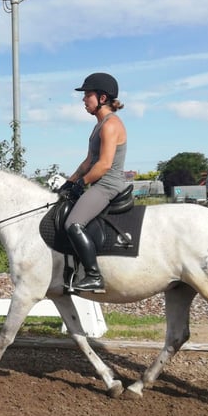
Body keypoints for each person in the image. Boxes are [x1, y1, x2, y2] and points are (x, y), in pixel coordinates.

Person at [58, 72, 127, 293]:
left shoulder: (110, 125)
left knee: (73, 224)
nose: (83, 100)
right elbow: (89, 161)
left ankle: (94, 276)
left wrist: (82, 184)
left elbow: (104, 164)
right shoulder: (99, 125)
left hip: (108, 185)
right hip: (99, 182)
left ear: (102, 98)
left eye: (88, 95)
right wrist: (69, 182)